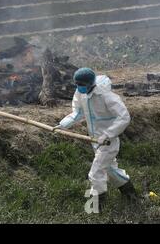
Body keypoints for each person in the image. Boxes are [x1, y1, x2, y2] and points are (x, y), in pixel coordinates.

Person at [55, 67, 138, 211]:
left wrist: (108, 134)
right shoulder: (80, 93)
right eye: (77, 84)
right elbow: (78, 112)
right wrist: (62, 125)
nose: (79, 87)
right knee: (111, 171)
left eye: (81, 85)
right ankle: (132, 196)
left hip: (107, 141)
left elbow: (124, 117)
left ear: (90, 83)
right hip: (95, 140)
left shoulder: (107, 96)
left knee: (95, 173)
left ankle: (95, 208)